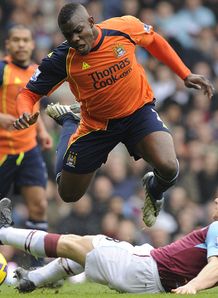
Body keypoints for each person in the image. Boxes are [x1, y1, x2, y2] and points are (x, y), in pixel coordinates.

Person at [13, 3, 214, 227]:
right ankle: (70, 121)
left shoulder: (123, 28)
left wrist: (184, 74)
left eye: (78, 30)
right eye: (69, 35)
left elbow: (154, 40)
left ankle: (154, 190)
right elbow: (28, 93)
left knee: (169, 166)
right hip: (97, 126)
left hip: (137, 112)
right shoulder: (63, 59)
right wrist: (23, 113)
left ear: (91, 21)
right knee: (68, 195)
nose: (76, 39)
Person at [1, 196, 218, 294]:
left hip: (146, 269)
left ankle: (4, 232)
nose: (215, 201)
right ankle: (34, 279)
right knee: (81, 249)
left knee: (72, 244)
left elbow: (215, 266)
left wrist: (194, 286)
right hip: (149, 269)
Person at [0, 25, 53, 266]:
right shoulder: (2, 69)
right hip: (3, 150)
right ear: (8, 45)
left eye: (25, 40)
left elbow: (34, 107)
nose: (21, 44)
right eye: (16, 40)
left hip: (29, 148)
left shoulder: (37, 72)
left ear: (32, 44)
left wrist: (41, 131)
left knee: (39, 204)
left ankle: (36, 268)